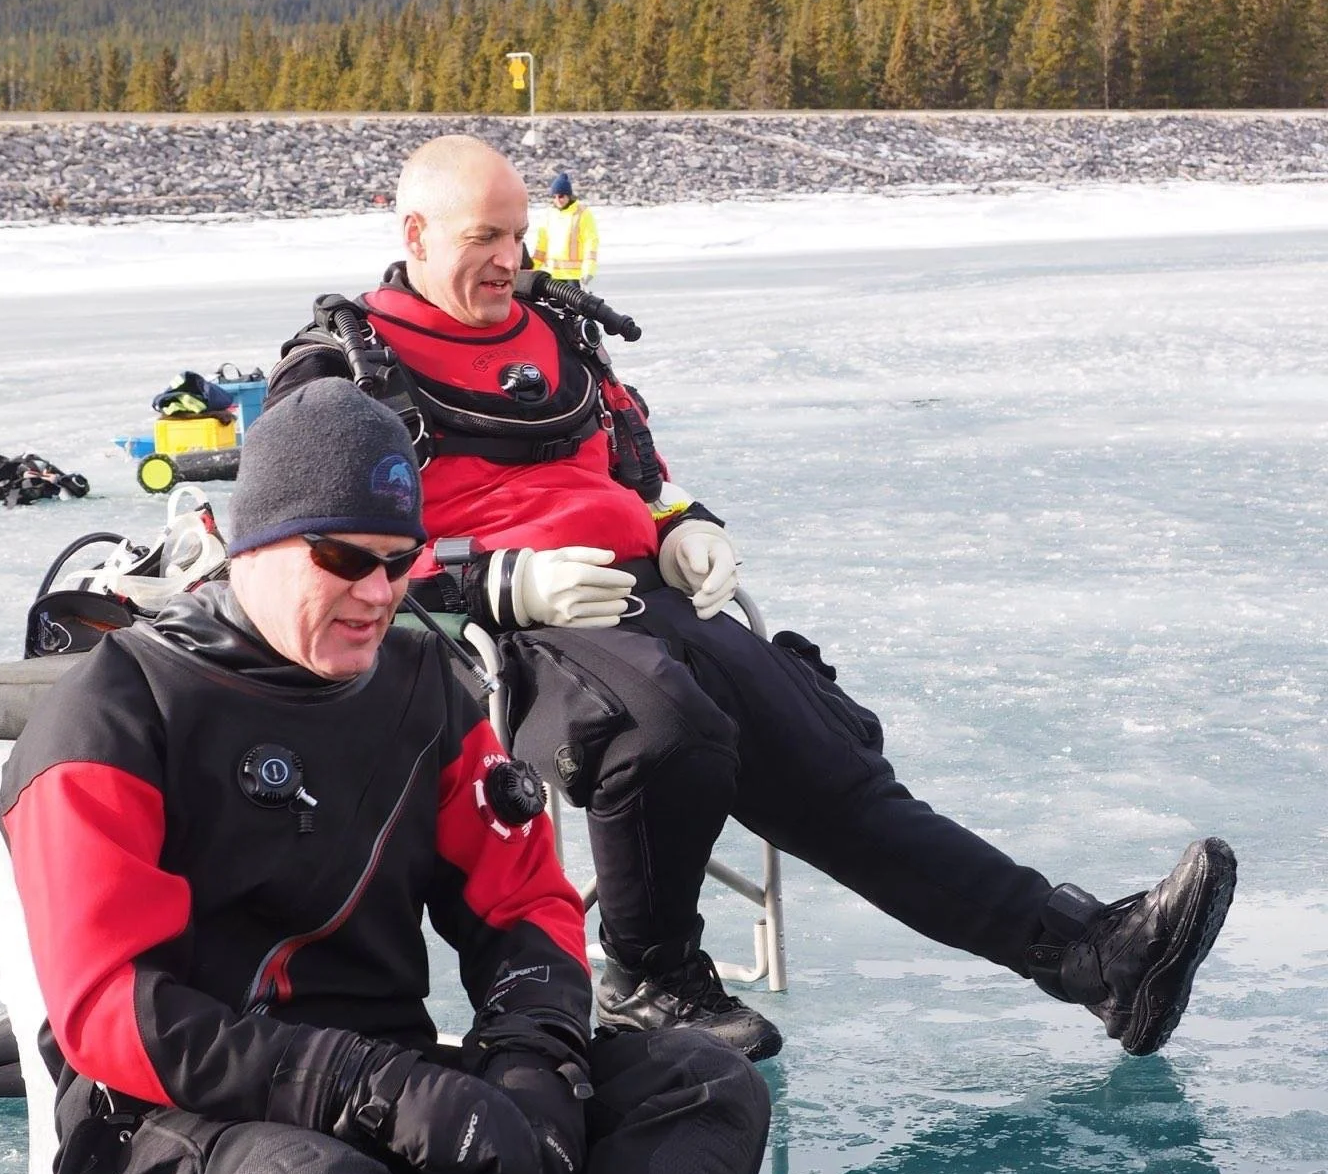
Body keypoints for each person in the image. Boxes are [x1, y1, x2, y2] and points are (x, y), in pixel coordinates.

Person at [0, 375, 791, 1174]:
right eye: (343, 559)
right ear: (252, 541)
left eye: (400, 559)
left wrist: (533, 1056)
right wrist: (374, 1088)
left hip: (393, 1110)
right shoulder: (114, 708)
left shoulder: (422, 686)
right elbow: (113, 1012)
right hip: (165, 1152)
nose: (378, 589)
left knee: (699, 1079)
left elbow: (525, 902)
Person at [267, 134, 1237, 1065]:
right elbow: (313, 555)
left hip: (642, 597)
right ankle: (648, 976)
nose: (510, 259)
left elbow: (639, 470)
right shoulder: (345, 367)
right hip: (491, 635)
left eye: (518, 235)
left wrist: (686, 521)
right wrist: (497, 582)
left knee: (831, 767)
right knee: (666, 731)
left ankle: (1090, 954)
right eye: (485, 238)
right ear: (415, 234)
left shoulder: (558, 333)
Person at [532, 171, 598, 283]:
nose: (557, 200)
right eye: (554, 197)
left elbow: (590, 242)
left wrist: (588, 270)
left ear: (569, 196)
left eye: (561, 196)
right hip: (552, 274)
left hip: (574, 277)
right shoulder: (550, 215)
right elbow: (541, 245)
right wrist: (533, 269)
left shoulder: (582, 213)